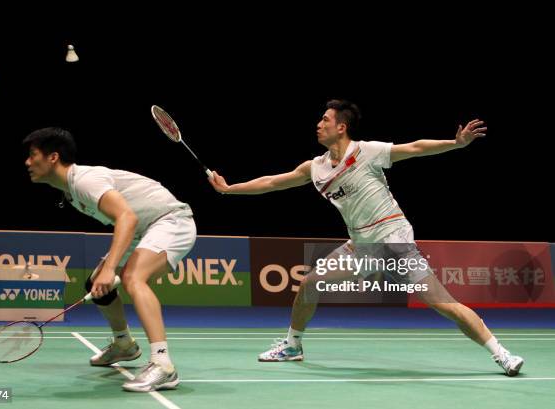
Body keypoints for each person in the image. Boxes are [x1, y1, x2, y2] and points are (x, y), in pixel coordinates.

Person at [208, 100, 524, 376]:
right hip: (361, 245)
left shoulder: (367, 152)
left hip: (393, 240)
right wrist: (230, 188)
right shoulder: (315, 167)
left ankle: (501, 353)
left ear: (341, 127)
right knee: (311, 282)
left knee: (444, 304)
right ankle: (292, 345)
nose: (318, 125)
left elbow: (414, 148)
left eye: (325, 121)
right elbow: (273, 182)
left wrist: (455, 144)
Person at [23, 127, 196, 391]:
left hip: (169, 220)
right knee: (96, 284)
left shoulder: (84, 181)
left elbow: (127, 217)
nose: (27, 162)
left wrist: (111, 267)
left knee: (132, 278)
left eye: (33, 155)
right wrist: (105, 272)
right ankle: (124, 345)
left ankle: (163, 366)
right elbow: (127, 220)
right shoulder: (70, 192)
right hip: (143, 229)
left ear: (53, 157)